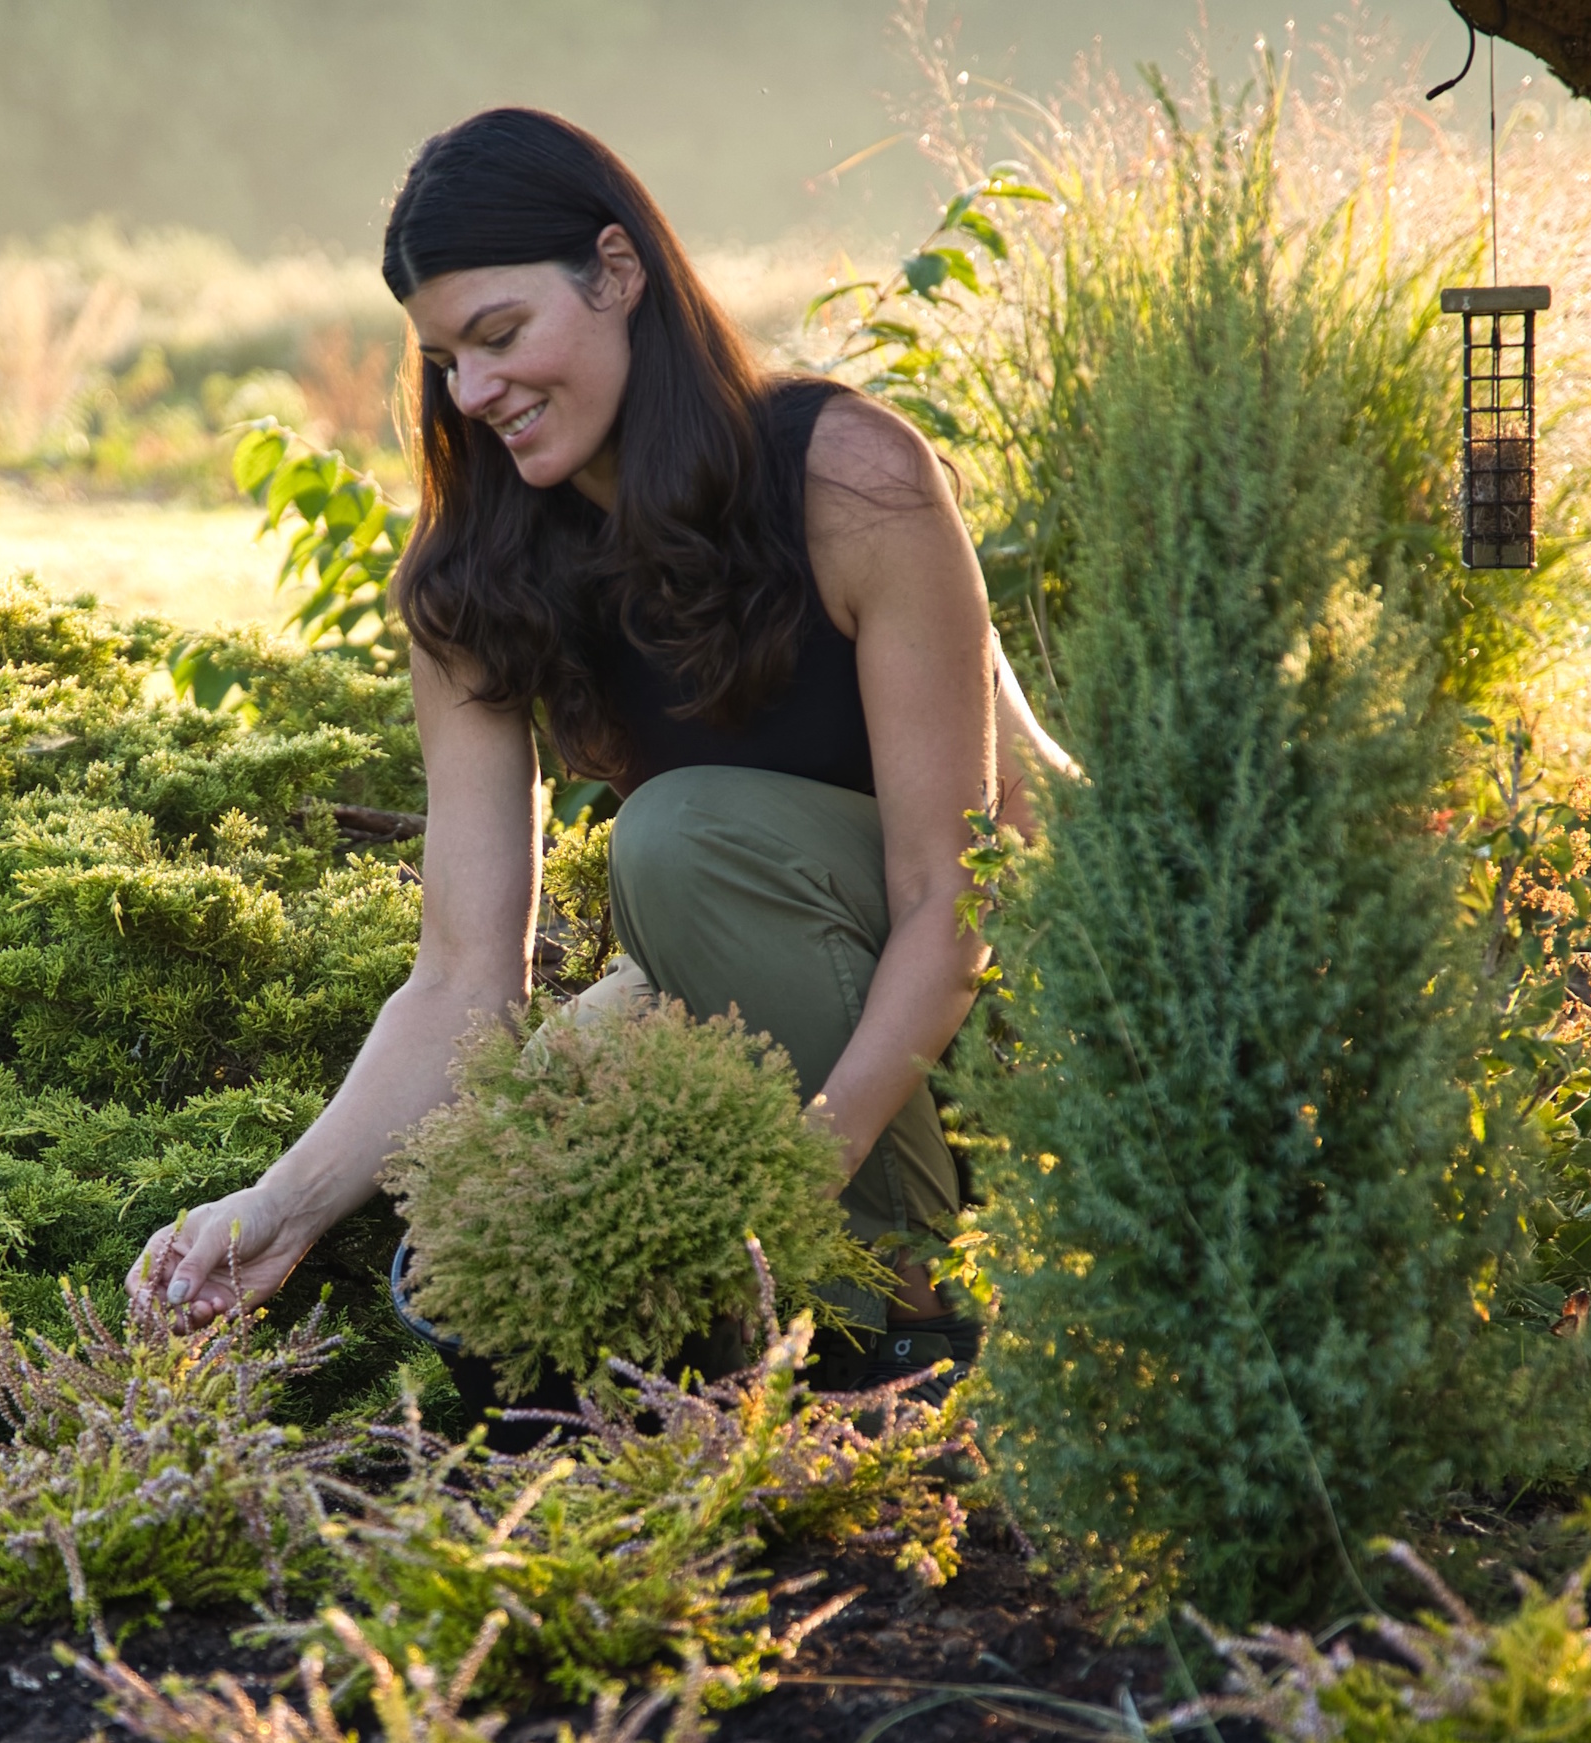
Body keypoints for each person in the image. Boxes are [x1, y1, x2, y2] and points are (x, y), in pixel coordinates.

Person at [126, 106, 1059, 1372]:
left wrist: (794, 1178)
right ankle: (713, 1343)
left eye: (500, 336)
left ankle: (899, 1307)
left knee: (678, 841)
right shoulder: (475, 574)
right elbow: (464, 975)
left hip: (1038, 985)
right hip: (794, 957)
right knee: (495, 1170)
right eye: (446, 357)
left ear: (617, 273)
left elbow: (960, 884)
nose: (475, 392)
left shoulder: (850, 478)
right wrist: (275, 1211)